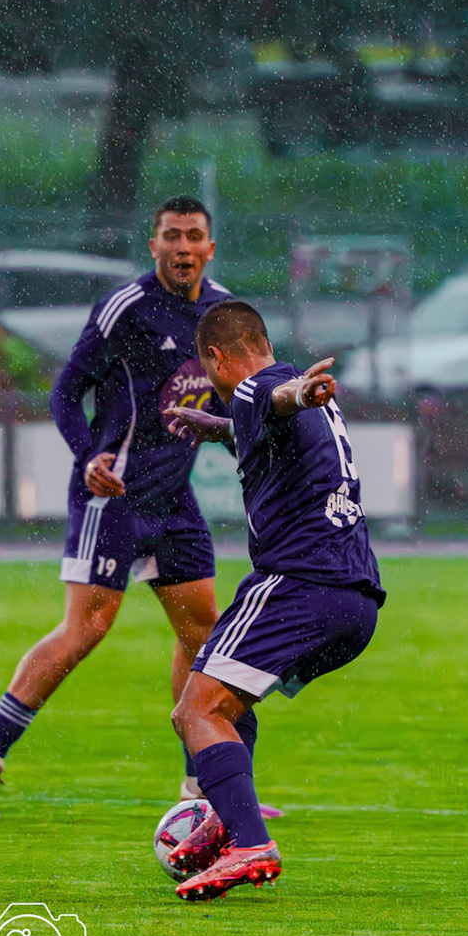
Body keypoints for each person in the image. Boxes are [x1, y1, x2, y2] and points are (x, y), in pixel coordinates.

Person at [0, 196, 275, 821]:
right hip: (116, 490)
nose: (183, 247)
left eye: (194, 237)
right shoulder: (127, 309)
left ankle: (201, 787)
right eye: (171, 236)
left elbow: (246, 397)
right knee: (85, 632)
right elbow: (67, 390)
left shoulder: (223, 313)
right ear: (152, 245)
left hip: (175, 496)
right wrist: (86, 458)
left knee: (202, 634)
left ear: (211, 248)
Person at [161, 300, 386, 902]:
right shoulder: (300, 398)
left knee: (195, 712)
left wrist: (294, 396)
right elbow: (275, 418)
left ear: (217, 357)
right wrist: (220, 430)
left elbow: (276, 401)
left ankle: (250, 841)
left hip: (299, 585)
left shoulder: (262, 389)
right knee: (226, 703)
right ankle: (226, 829)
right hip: (355, 602)